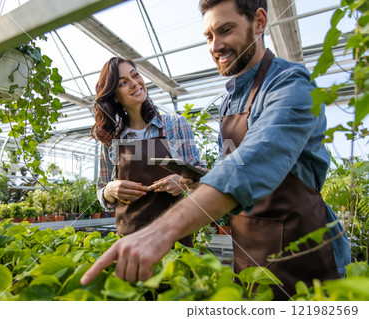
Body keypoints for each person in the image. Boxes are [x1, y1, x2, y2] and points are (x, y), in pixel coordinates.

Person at [82, 0, 351, 300]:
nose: (216, 46)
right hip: (250, 255)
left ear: (259, 22)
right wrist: (192, 179)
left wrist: (161, 230)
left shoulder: (290, 84)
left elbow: (254, 162)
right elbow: (223, 168)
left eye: (226, 30)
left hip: (304, 252)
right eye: (209, 36)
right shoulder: (230, 101)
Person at [90, 57, 206, 246]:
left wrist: (184, 182)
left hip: (175, 233)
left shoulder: (174, 124)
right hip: (130, 237)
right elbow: (101, 191)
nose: (135, 84)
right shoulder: (111, 138)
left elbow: (201, 176)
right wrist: (110, 190)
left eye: (135, 76)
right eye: (124, 83)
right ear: (115, 96)